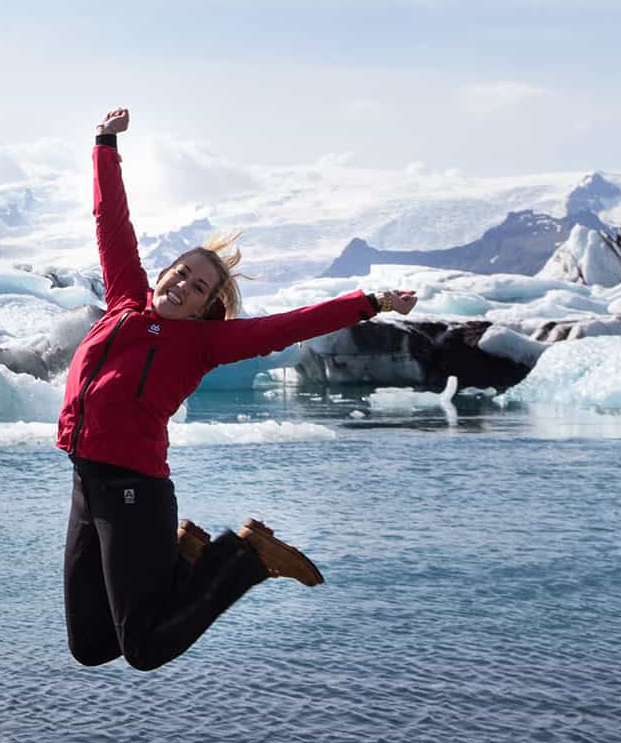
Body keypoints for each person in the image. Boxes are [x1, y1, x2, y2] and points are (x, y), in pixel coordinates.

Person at [58, 106, 418, 671]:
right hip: (87, 484)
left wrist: (370, 302)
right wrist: (105, 144)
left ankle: (245, 555)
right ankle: (187, 561)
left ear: (208, 307)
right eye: (181, 272)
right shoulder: (124, 299)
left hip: (135, 492)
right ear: (164, 272)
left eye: (199, 287)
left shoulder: (202, 345)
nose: (183, 285)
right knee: (91, 647)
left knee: (146, 650)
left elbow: (291, 326)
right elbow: (112, 223)